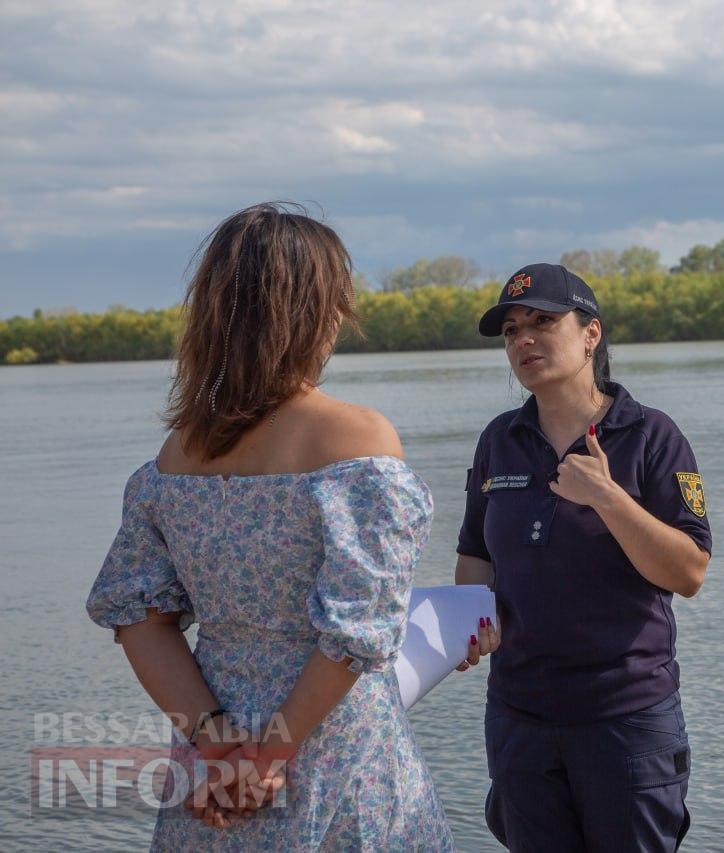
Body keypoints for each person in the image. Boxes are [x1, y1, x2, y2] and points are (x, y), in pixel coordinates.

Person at [85, 202, 479, 850]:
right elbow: (354, 632)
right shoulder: (358, 442)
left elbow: (140, 620)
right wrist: (270, 753)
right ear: (315, 314)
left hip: (214, 754)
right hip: (333, 746)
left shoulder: (176, 456)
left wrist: (216, 743)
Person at [454, 263, 711, 852]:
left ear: (590, 332)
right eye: (511, 329)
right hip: (520, 718)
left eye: (543, 321)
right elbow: (475, 559)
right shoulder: (499, 439)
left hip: (626, 719)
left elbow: (689, 571)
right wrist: (466, 626)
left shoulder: (651, 436)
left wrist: (607, 497)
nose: (523, 340)